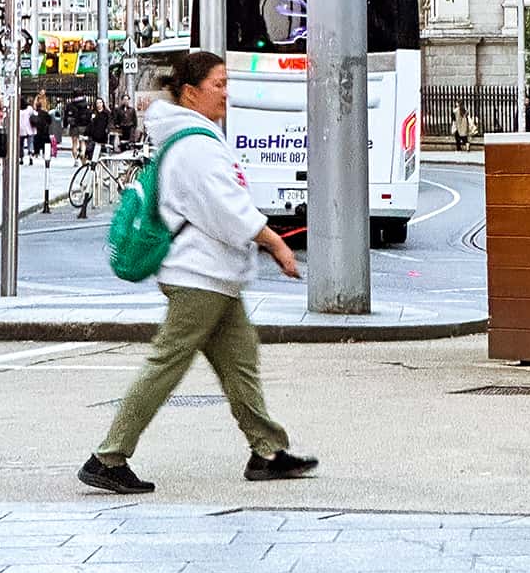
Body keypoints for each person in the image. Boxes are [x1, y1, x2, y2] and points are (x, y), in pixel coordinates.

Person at [77, 51, 318, 494]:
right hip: (198, 276)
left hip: (214, 276)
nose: (227, 93)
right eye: (218, 84)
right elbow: (228, 211)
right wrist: (277, 243)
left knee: (240, 362)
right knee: (166, 365)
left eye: (228, 83)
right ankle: (108, 456)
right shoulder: (195, 146)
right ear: (191, 93)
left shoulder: (196, 138)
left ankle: (266, 451)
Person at [65, 94, 91, 164]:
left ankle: (75, 159)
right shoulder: (85, 104)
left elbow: (66, 116)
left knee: (74, 143)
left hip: (74, 126)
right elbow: (88, 114)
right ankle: (82, 153)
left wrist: (65, 125)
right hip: (83, 126)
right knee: (83, 142)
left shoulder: (70, 105)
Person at [19, 97, 35, 165]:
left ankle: (21, 158)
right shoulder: (29, 109)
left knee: (21, 145)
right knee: (30, 143)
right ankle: (30, 156)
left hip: (20, 129)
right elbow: (34, 115)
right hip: (29, 129)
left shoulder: (18, 109)